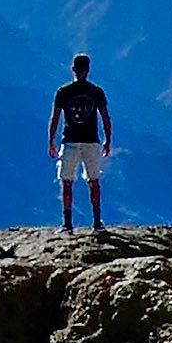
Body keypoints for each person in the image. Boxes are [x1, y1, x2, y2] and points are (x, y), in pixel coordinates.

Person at [50, 53, 113, 233]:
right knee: (93, 181)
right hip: (90, 142)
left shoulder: (64, 92)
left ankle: (67, 224)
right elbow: (105, 118)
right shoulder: (95, 92)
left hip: (69, 141)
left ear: (73, 69)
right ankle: (96, 222)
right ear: (88, 69)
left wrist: (51, 141)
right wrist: (108, 140)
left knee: (66, 181)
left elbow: (55, 118)